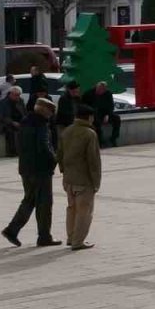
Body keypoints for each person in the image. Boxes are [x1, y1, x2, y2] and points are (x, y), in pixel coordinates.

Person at [1, 98, 60, 248]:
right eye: (51, 111)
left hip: (26, 168)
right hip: (40, 169)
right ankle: (44, 236)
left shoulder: (25, 122)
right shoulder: (41, 125)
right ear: (45, 111)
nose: (52, 115)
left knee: (30, 200)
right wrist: (54, 160)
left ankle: (12, 230)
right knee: (44, 203)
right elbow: (44, 145)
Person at [57, 105, 101, 251]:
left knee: (71, 209)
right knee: (84, 211)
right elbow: (93, 161)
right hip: (84, 180)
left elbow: (60, 154)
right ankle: (78, 241)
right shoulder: (89, 134)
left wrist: (63, 172)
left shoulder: (67, 131)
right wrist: (96, 182)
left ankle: (71, 237)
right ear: (89, 117)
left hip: (69, 179)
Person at [0, 86, 27, 157]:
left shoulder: (20, 101)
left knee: (28, 129)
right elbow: (1, 116)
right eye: (16, 95)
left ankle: (24, 150)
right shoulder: (2, 102)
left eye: (19, 95)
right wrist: (12, 122)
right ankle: (11, 152)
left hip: (19, 121)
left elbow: (24, 113)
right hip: (5, 123)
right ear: (10, 94)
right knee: (10, 131)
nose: (17, 97)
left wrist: (25, 121)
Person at [89, 81, 121, 147]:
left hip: (106, 113)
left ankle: (113, 138)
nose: (100, 91)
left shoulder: (108, 93)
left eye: (102, 90)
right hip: (96, 113)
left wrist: (108, 115)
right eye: (99, 89)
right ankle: (100, 141)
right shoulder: (91, 93)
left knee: (117, 118)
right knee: (96, 122)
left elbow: (111, 106)